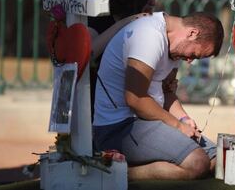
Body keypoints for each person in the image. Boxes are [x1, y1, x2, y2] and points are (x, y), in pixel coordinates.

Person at [93, 11, 224, 180]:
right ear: (192, 33)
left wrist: (184, 119)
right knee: (198, 163)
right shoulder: (150, 35)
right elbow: (135, 99)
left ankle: (143, 166)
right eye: (194, 55)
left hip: (147, 122)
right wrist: (178, 126)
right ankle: (115, 172)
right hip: (119, 126)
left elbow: (167, 93)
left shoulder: (176, 46)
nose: (190, 60)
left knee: (217, 161)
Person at [88, 0, 160, 120]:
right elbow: (88, 53)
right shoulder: (100, 17)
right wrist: (127, 22)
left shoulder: (148, 24)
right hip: (97, 110)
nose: (153, 2)